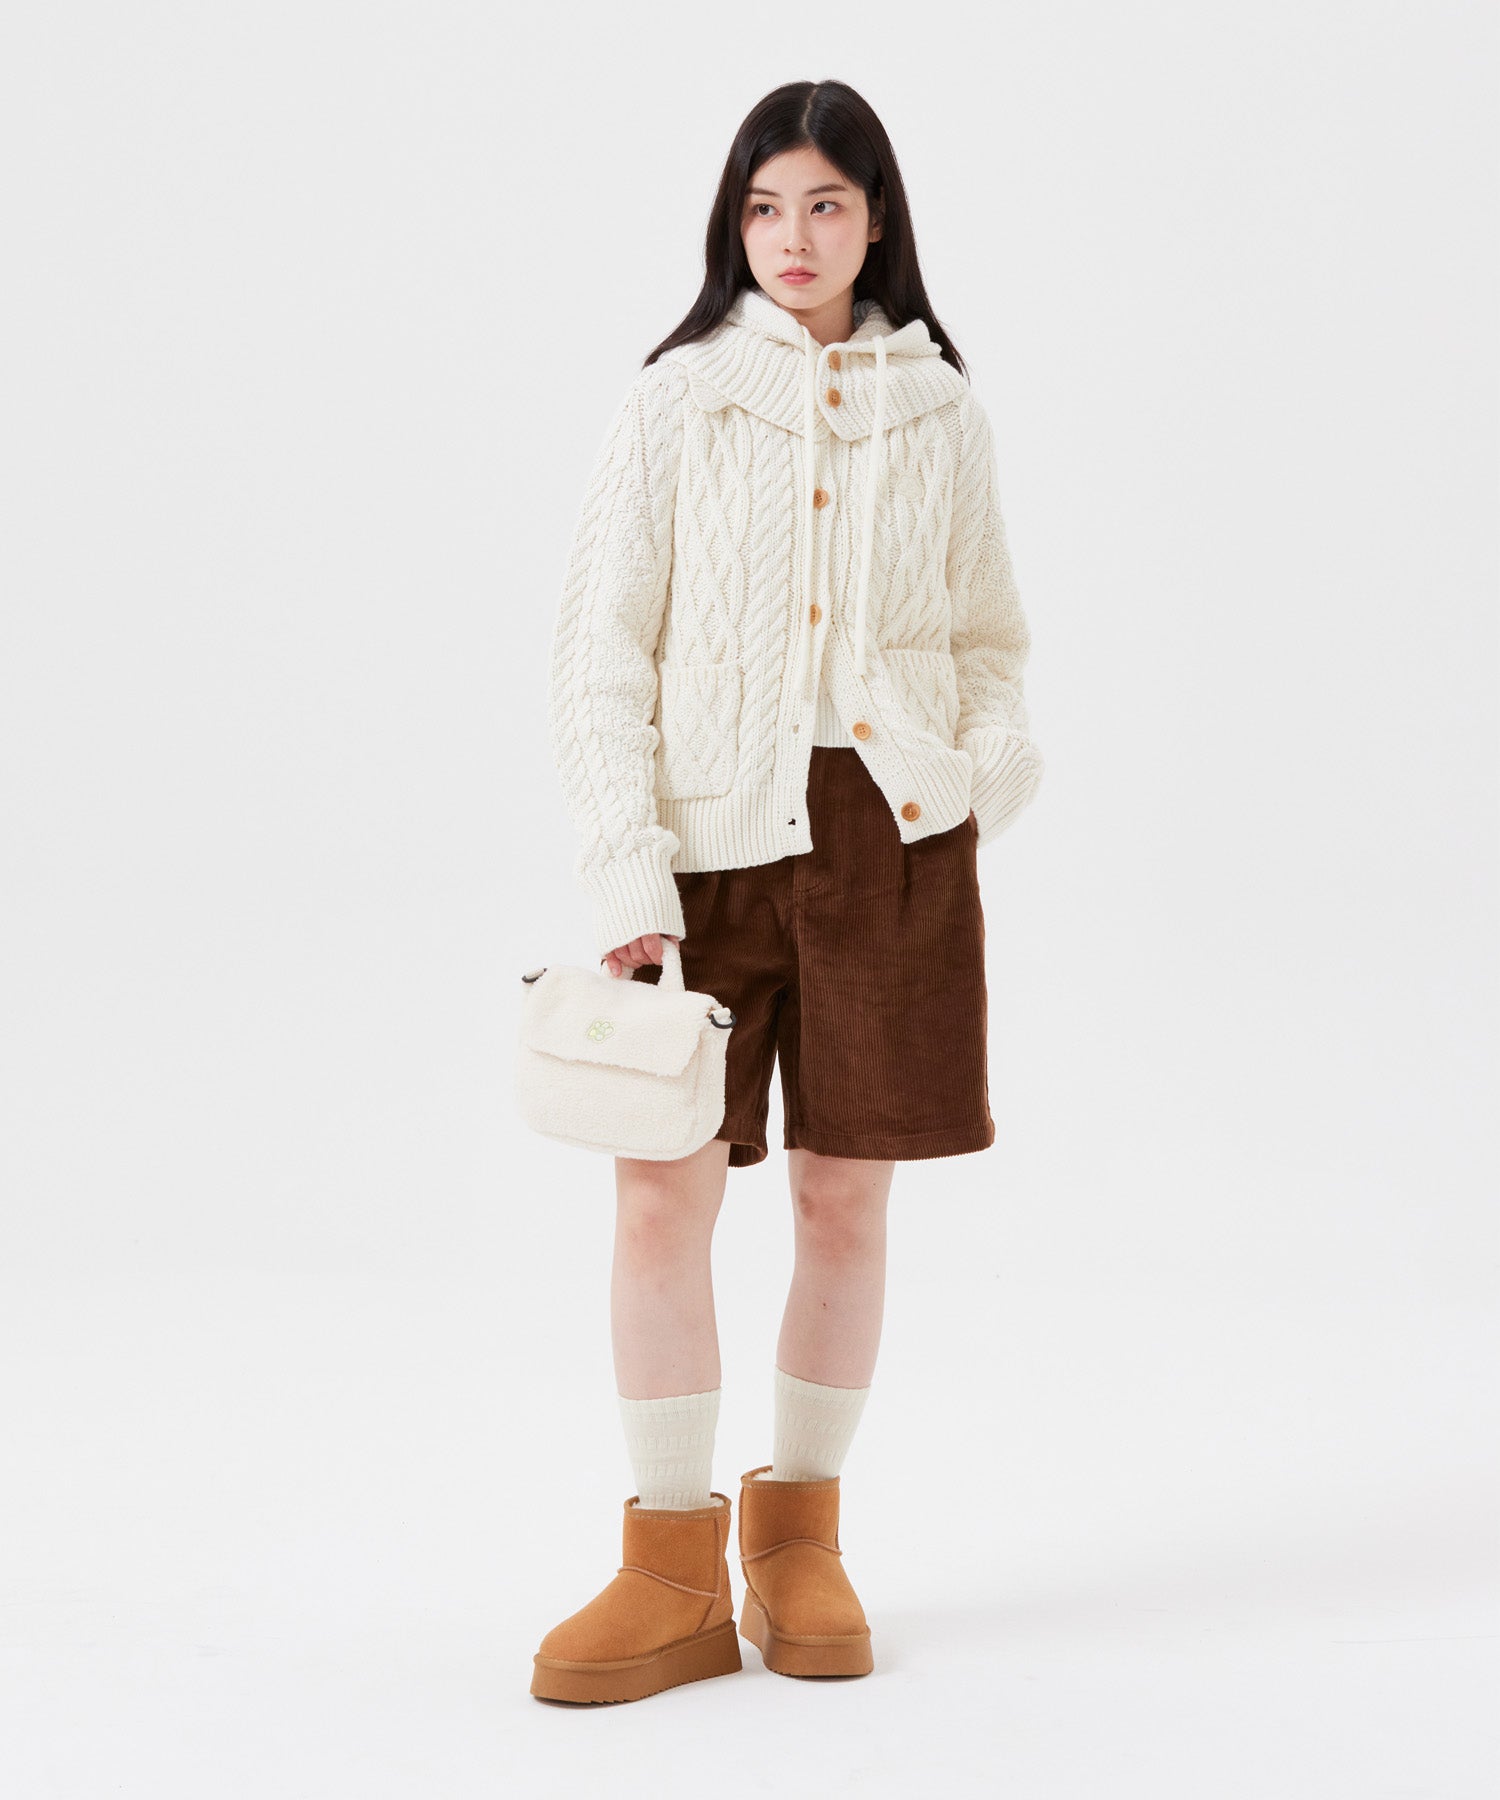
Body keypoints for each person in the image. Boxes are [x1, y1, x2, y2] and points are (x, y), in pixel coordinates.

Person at [532, 77, 1045, 1705]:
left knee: (843, 1197)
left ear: (876, 219)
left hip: (890, 846)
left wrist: (970, 787)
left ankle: (801, 1538)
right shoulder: (679, 399)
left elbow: (989, 644)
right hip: (704, 854)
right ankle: (669, 1565)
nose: (794, 236)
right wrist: (630, 862)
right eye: (766, 206)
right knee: (660, 1192)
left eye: (825, 203)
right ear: (733, 223)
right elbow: (600, 654)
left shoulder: (941, 411)